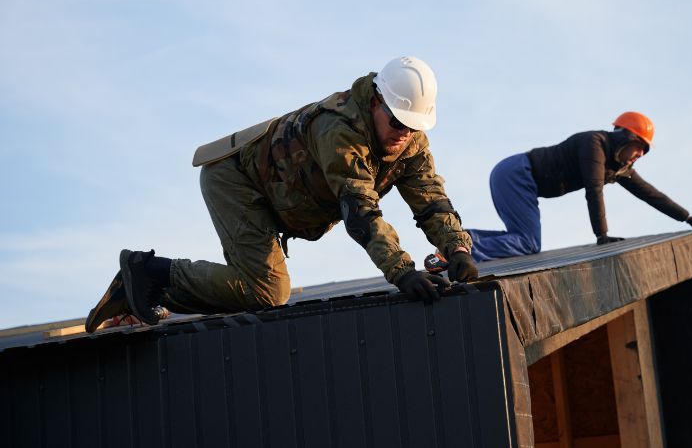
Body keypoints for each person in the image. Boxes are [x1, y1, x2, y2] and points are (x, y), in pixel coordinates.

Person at [85, 56, 478, 333]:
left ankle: (140, 292)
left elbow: (430, 198)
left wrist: (458, 251)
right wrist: (402, 272)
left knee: (258, 290)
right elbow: (360, 211)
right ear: (376, 102)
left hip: (276, 199)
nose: (402, 134)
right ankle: (147, 274)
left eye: (412, 126)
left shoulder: (408, 142)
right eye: (396, 122)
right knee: (268, 290)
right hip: (236, 180)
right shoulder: (340, 130)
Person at [467, 112, 692, 262]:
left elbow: (651, 195)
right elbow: (594, 190)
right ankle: (462, 252)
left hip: (517, 177)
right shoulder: (594, 144)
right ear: (627, 137)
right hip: (516, 173)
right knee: (528, 242)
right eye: (640, 148)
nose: (640, 155)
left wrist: (687, 218)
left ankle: (463, 240)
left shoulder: (618, 167)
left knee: (523, 240)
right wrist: (601, 235)